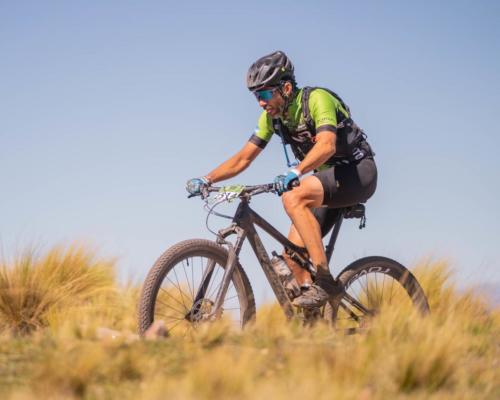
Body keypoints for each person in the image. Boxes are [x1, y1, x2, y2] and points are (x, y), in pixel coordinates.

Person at [186, 50, 377, 309]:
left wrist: (296, 171)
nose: (260, 103)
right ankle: (313, 321)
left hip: (357, 172)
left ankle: (325, 281)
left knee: (293, 196)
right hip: (324, 181)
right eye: (256, 96)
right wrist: (207, 179)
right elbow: (243, 158)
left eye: (265, 94)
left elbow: (327, 145)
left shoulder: (317, 99)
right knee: (292, 257)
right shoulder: (272, 119)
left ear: (286, 88)